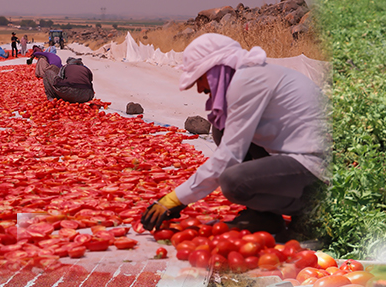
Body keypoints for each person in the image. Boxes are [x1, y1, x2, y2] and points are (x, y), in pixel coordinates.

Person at [140, 33, 330, 239]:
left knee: (233, 181)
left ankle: (312, 212)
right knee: (221, 128)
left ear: (216, 70)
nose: (200, 88)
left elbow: (228, 155)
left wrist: (176, 199)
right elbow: (232, 142)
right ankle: (264, 216)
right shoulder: (248, 75)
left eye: (201, 78)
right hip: (299, 155)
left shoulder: (248, 81)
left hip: (319, 167)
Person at [29, 49, 94, 104]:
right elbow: (89, 81)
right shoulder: (86, 69)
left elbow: (58, 80)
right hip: (87, 96)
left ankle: (51, 98)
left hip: (69, 93)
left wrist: (53, 89)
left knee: (48, 72)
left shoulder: (66, 67)